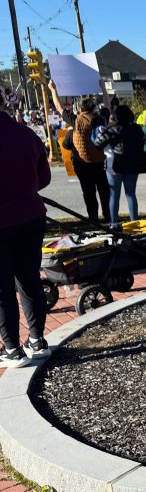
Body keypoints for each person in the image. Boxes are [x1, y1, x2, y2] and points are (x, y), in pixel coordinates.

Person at [0, 110, 52, 367]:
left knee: (3, 288)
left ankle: (11, 347)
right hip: (31, 215)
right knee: (29, 278)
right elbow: (43, 178)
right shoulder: (26, 133)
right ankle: (37, 340)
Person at [94, 106, 146, 225]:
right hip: (133, 165)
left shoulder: (113, 130)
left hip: (115, 165)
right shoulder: (137, 129)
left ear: (117, 116)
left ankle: (114, 223)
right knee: (131, 194)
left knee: (114, 195)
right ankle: (134, 222)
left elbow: (97, 144)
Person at [68, 97, 111, 222]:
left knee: (88, 192)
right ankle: (108, 215)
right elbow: (107, 107)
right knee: (104, 191)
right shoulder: (101, 119)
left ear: (80, 109)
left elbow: (60, 109)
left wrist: (53, 91)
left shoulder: (76, 121)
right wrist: (102, 86)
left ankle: (93, 218)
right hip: (100, 162)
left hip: (83, 164)